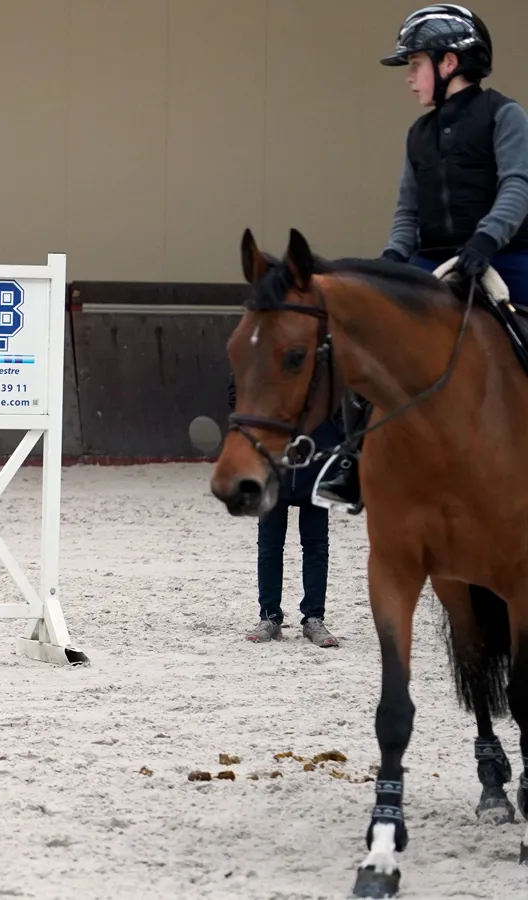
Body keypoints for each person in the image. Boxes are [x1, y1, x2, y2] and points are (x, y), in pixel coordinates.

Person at [316, 4, 528, 513]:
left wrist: (485, 240)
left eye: (415, 64)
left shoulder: (505, 115)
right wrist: (392, 258)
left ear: (449, 63)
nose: (410, 77)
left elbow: (517, 187)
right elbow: (407, 210)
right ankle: (353, 458)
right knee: (368, 334)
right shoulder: (418, 134)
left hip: (503, 254)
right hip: (429, 261)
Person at [230, 376, 342, 647]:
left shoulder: (322, 357)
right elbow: (239, 388)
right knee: (269, 545)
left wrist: (329, 437)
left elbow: (341, 394)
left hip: (315, 459)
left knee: (316, 545)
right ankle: (269, 617)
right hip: (272, 461)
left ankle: (314, 618)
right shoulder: (264, 357)